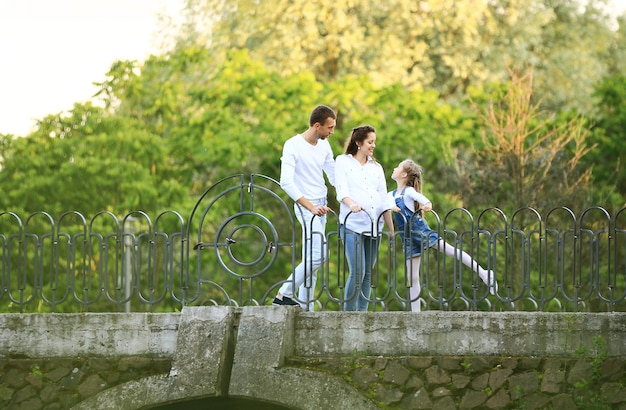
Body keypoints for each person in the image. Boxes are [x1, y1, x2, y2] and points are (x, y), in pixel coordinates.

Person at [389, 159, 498, 312]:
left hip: (420, 232)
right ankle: (416, 314)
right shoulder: (391, 194)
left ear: (403, 174)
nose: (394, 168)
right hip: (407, 238)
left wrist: (427, 205)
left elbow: (424, 199)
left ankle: (484, 273)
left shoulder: (408, 191)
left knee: (452, 251)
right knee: (412, 278)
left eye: (397, 166)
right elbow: (382, 205)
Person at [273, 105, 337, 309]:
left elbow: (334, 175)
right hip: (306, 207)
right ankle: (284, 294)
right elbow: (286, 182)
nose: (332, 132)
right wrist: (310, 207)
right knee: (320, 255)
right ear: (317, 125)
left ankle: (305, 308)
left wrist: (351, 197)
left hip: (322, 206)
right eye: (329, 128)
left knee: (312, 260)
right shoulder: (292, 145)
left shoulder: (324, 146)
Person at [335, 125, 394, 311]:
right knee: (357, 271)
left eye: (374, 142)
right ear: (359, 143)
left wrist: (391, 228)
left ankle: (362, 313)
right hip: (352, 224)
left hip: (374, 225)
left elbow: (384, 198)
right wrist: (351, 204)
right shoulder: (343, 162)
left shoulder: (376, 167)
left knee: (368, 273)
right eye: (370, 142)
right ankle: (349, 314)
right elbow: (341, 191)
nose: (373, 145)